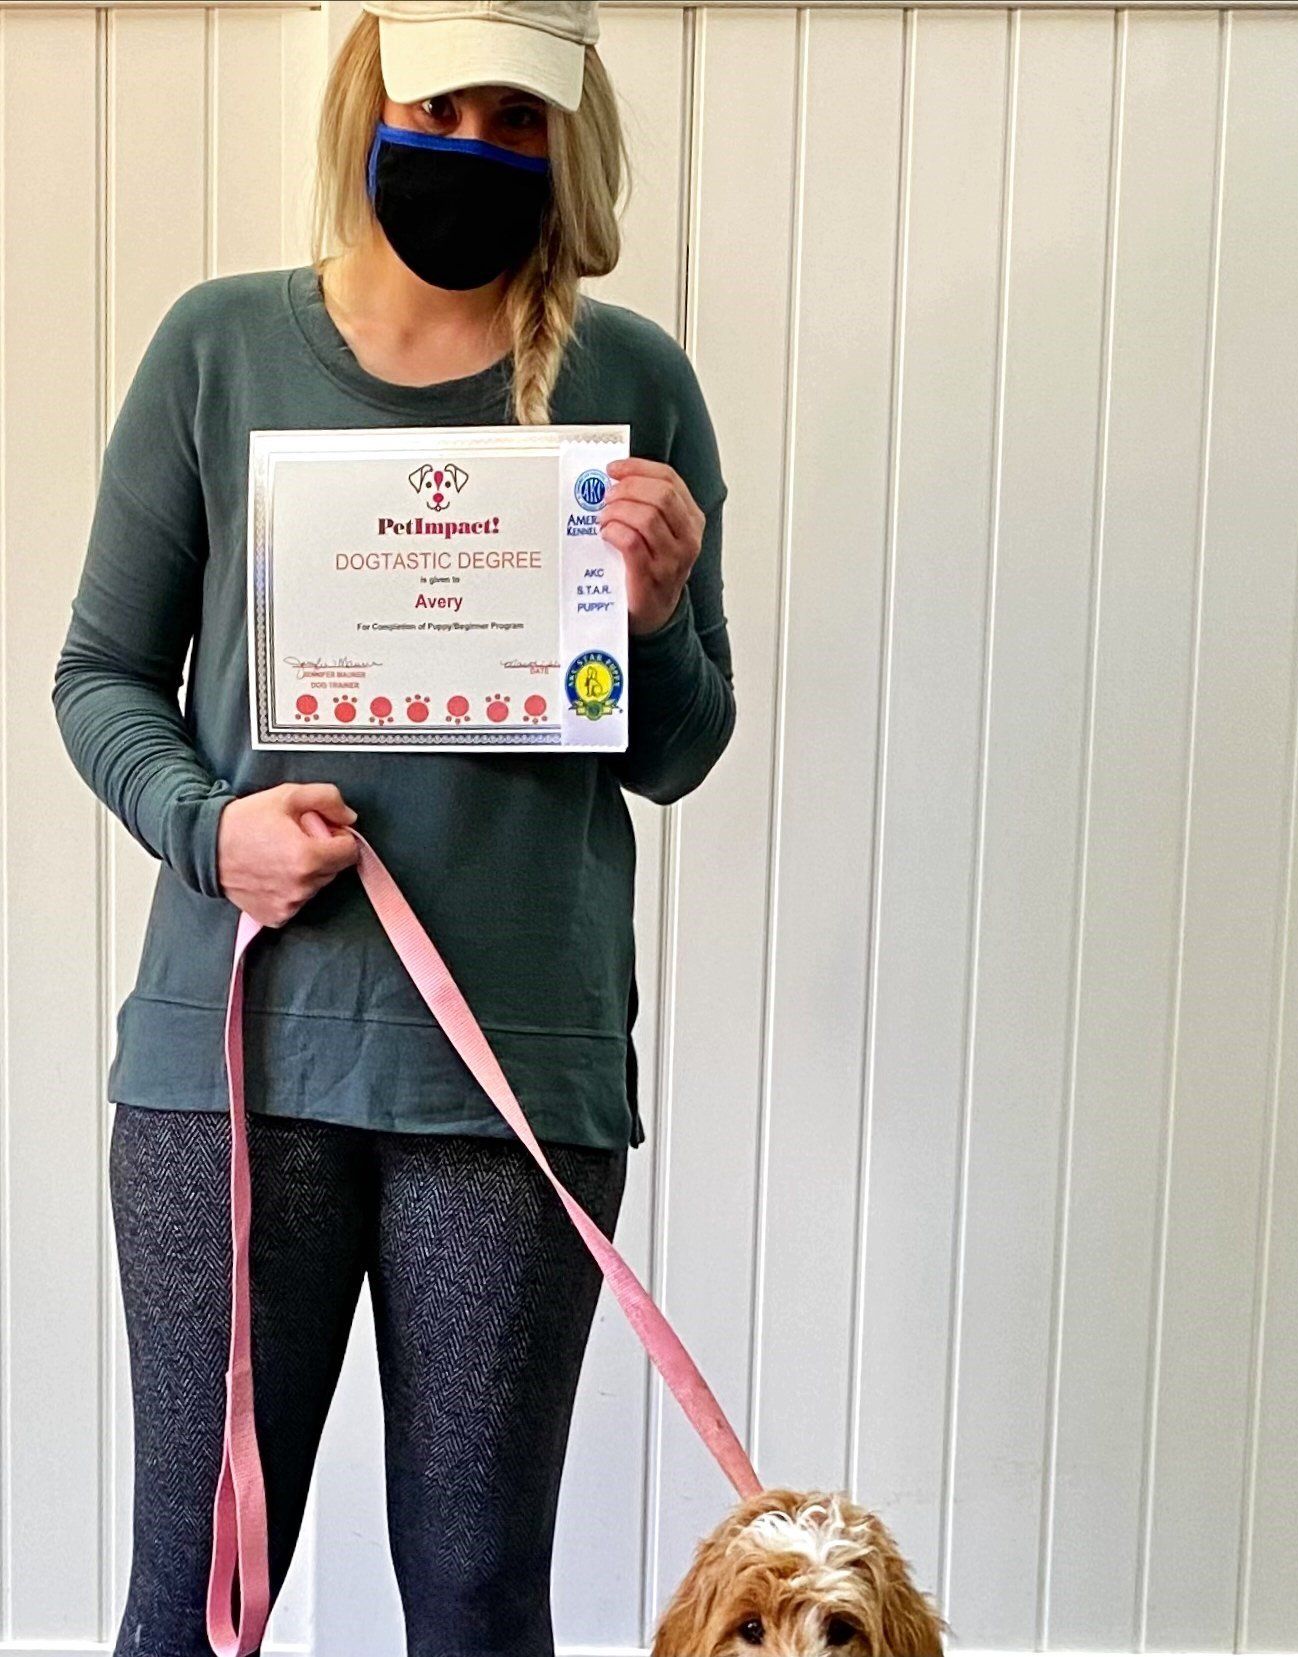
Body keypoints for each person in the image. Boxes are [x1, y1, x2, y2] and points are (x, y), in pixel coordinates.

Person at [50, 2, 735, 1651]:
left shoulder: (630, 381)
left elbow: (682, 748)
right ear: (370, 96)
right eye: (449, 107)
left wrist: (652, 613)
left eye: (523, 120)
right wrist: (211, 834)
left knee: (482, 1597)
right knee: (197, 1592)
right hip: (235, 1069)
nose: (483, 149)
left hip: (514, 1082)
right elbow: (101, 677)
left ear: (572, 141)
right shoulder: (218, 350)